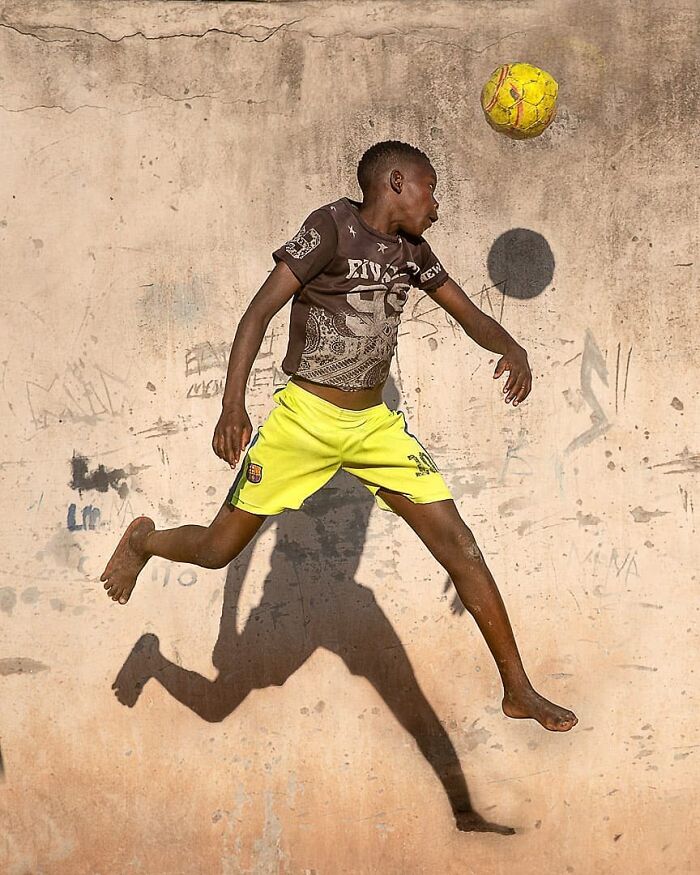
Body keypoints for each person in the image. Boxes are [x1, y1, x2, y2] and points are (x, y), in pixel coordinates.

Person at [101, 140, 577, 733]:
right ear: (396, 182)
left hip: (373, 427)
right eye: (431, 190)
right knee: (218, 552)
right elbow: (258, 312)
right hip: (305, 421)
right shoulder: (330, 227)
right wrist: (232, 404)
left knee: (461, 545)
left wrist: (511, 345)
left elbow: (468, 314)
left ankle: (518, 690)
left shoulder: (413, 252)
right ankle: (144, 543)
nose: (437, 206)